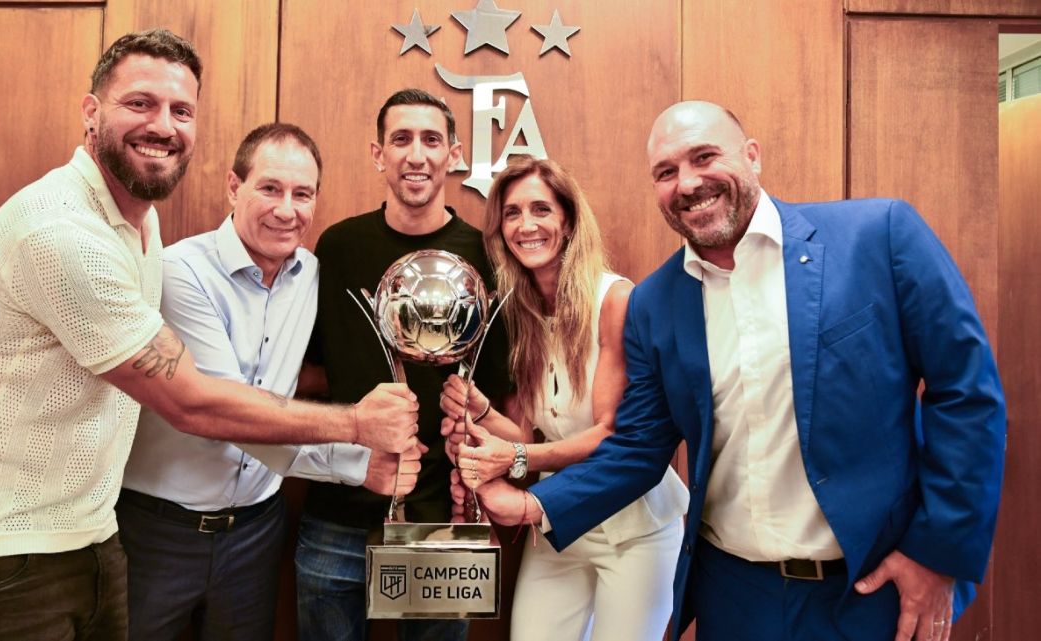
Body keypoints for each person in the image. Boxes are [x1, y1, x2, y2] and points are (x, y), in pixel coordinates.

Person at [0, 30, 417, 641]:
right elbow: (194, 400)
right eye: (139, 103)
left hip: (93, 537)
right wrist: (357, 432)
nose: (163, 125)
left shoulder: (139, 225)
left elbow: (272, 378)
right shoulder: (64, 234)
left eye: (181, 110)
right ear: (91, 113)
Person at [456, 101, 1006, 641]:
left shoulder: (877, 236)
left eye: (704, 157)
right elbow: (639, 448)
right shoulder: (657, 302)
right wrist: (532, 503)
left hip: (866, 590)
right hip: (734, 595)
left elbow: (966, 394)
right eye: (666, 172)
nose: (688, 183)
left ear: (752, 155)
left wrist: (937, 554)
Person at [117, 122, 426, 640]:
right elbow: (224, 414)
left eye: (302, 194)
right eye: (270, 188)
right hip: (159, 532)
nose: (288, 210)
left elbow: (318, 372)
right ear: (234, 187)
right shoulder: (180, 273)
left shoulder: (313, 276)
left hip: (257, 534)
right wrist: (356, 458)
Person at [439, 156, 689, 641]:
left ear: (568, 221)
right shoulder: (519, 314)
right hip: (557, 524)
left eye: (541, 210)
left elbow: (611, 434)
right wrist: (482, 413)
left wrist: (510, 456)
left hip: (634, 529)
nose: (526, 225)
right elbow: (529, 437)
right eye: (512, 213)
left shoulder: (614, 300)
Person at [296, 88, 511, 641]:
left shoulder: (487, 253)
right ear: (378, 154)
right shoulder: (338, 247)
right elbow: (312, 371)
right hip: (336, 511)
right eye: (401, 139)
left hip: (440, 515)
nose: (416, 155)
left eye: (431, 140)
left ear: (454, 154)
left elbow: (502, 395)